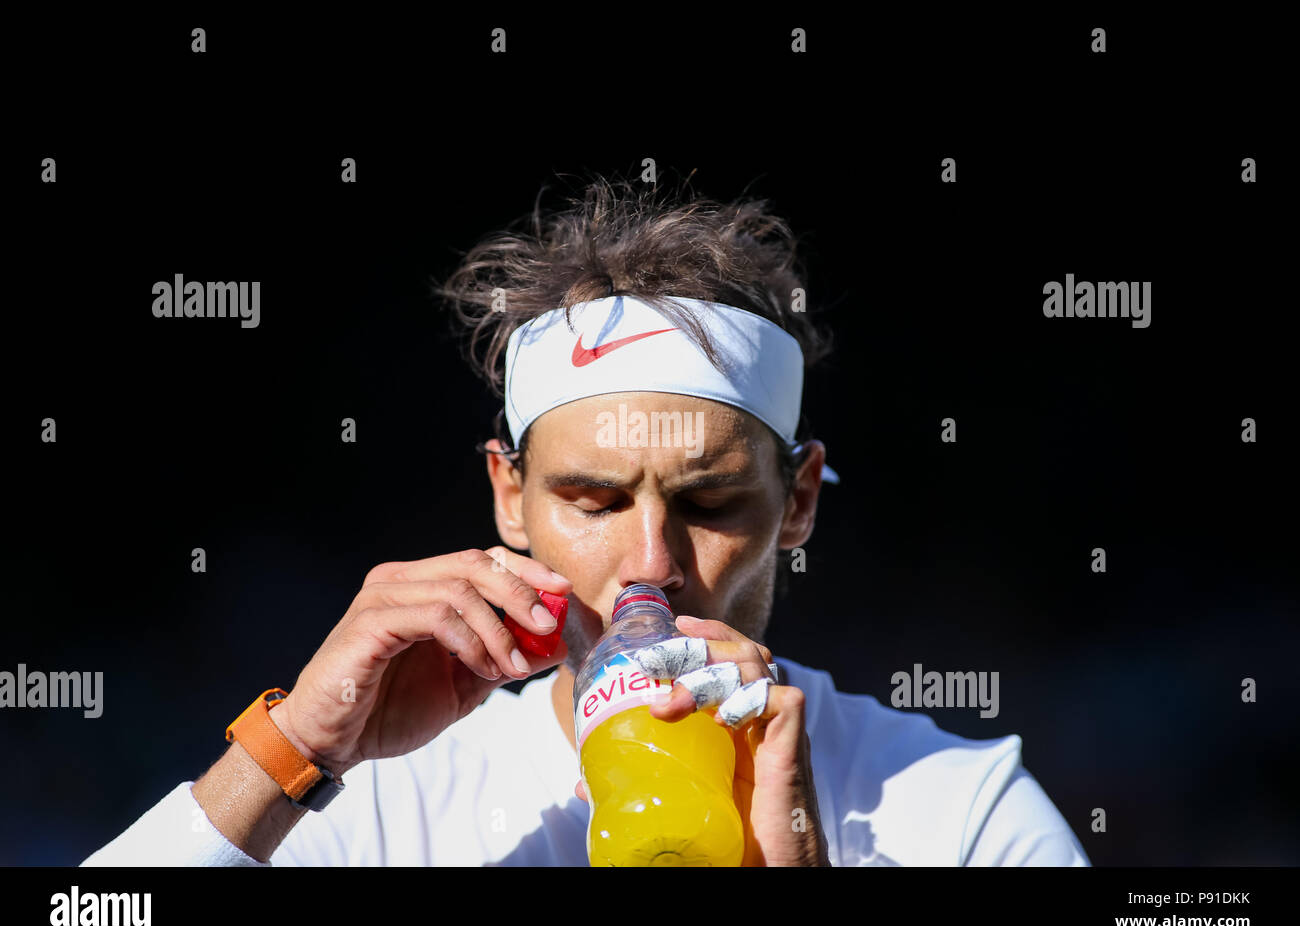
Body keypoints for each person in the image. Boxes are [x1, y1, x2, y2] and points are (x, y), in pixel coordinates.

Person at [82, 174, 1089, 867]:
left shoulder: (956, 809)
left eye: (708, 502)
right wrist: (293, 744)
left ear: (800, 501)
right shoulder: (386, 795)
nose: (650, 563)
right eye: (593, 499)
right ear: (506, 496)